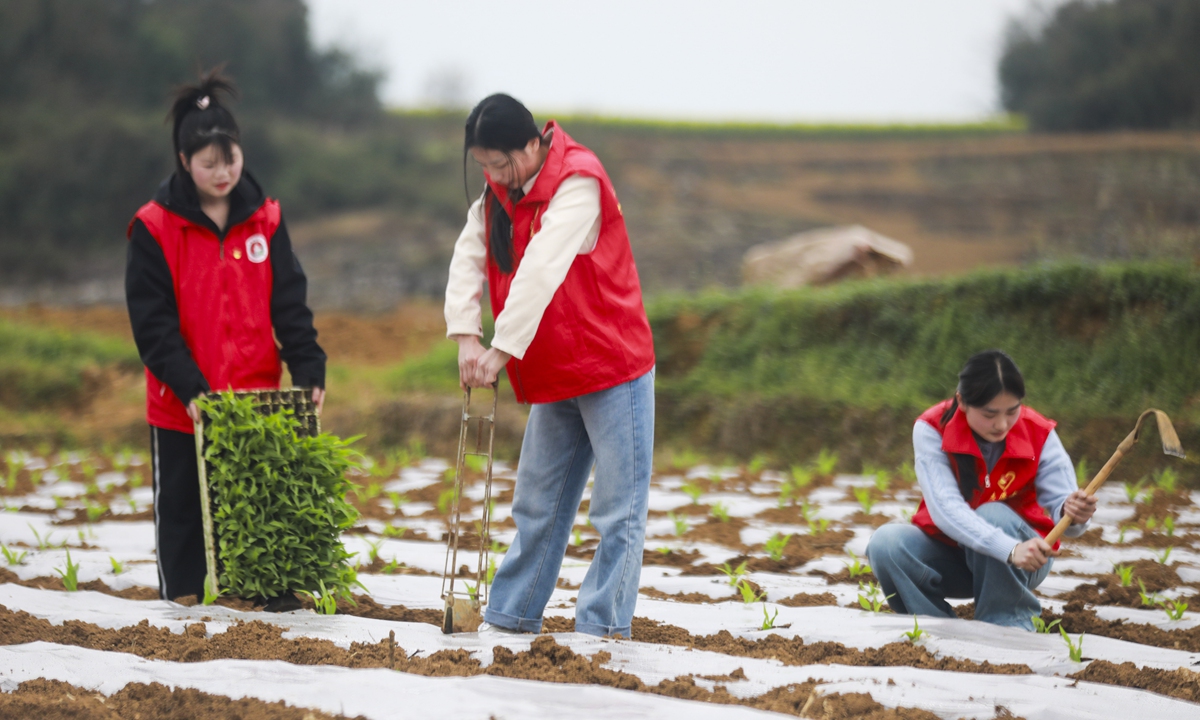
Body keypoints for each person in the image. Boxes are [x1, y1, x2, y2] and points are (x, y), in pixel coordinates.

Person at [444, 93, 656, 638]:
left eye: (502, 163)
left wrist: (500, 350)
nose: (494, 175)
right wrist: (467, 336)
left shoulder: (579, 181)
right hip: (557, 368)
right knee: (536, 503)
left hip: (612, 364)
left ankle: (602, 633)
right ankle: (510, 618)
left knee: (616, 512)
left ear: (534, 143)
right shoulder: (497, 195)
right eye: (485, 166)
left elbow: (541, 265)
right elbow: (469, 258)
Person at [125, 70, 326, 610]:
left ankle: (275, 627)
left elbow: (289, 303)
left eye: (229, 159)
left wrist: (309, 369)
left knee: (264, 519)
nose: (222, 173)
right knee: (185, 520)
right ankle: (181, 623)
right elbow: (153, 326)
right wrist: (192, 391)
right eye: (208, 163)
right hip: (183, 406)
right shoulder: (154, 228)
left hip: (256, 403)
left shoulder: (266, 219)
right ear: (184, 162)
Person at [866, 350, 1096, 630]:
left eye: (1012, 411)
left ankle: (1008, 626)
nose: (1001, 425)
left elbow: (1065, 511)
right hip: (960, 556)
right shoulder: (932, 428)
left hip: (1024, 561)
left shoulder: (1040, 433)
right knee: (886, 544)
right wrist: (1008, 548)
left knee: (994, 514)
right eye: (989, 414)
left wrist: (1074, 514)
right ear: (961, 401)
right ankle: (934, 629)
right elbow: (945, 508)